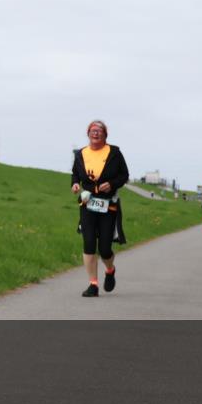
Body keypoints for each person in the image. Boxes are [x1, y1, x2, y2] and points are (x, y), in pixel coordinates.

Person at [70, 120, 129, 297]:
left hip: (108, 204)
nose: (95, 133)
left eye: (99, 131)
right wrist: (74, 184)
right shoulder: (81, 153)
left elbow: (124, 175)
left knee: (104, 248)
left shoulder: (114, 153)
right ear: (88, 133)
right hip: (88, 203)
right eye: (92, 131)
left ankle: (110, 270)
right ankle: (93, 284)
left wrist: (111, 184)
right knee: (88, 243)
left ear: (105, 135)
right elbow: (75, 173)